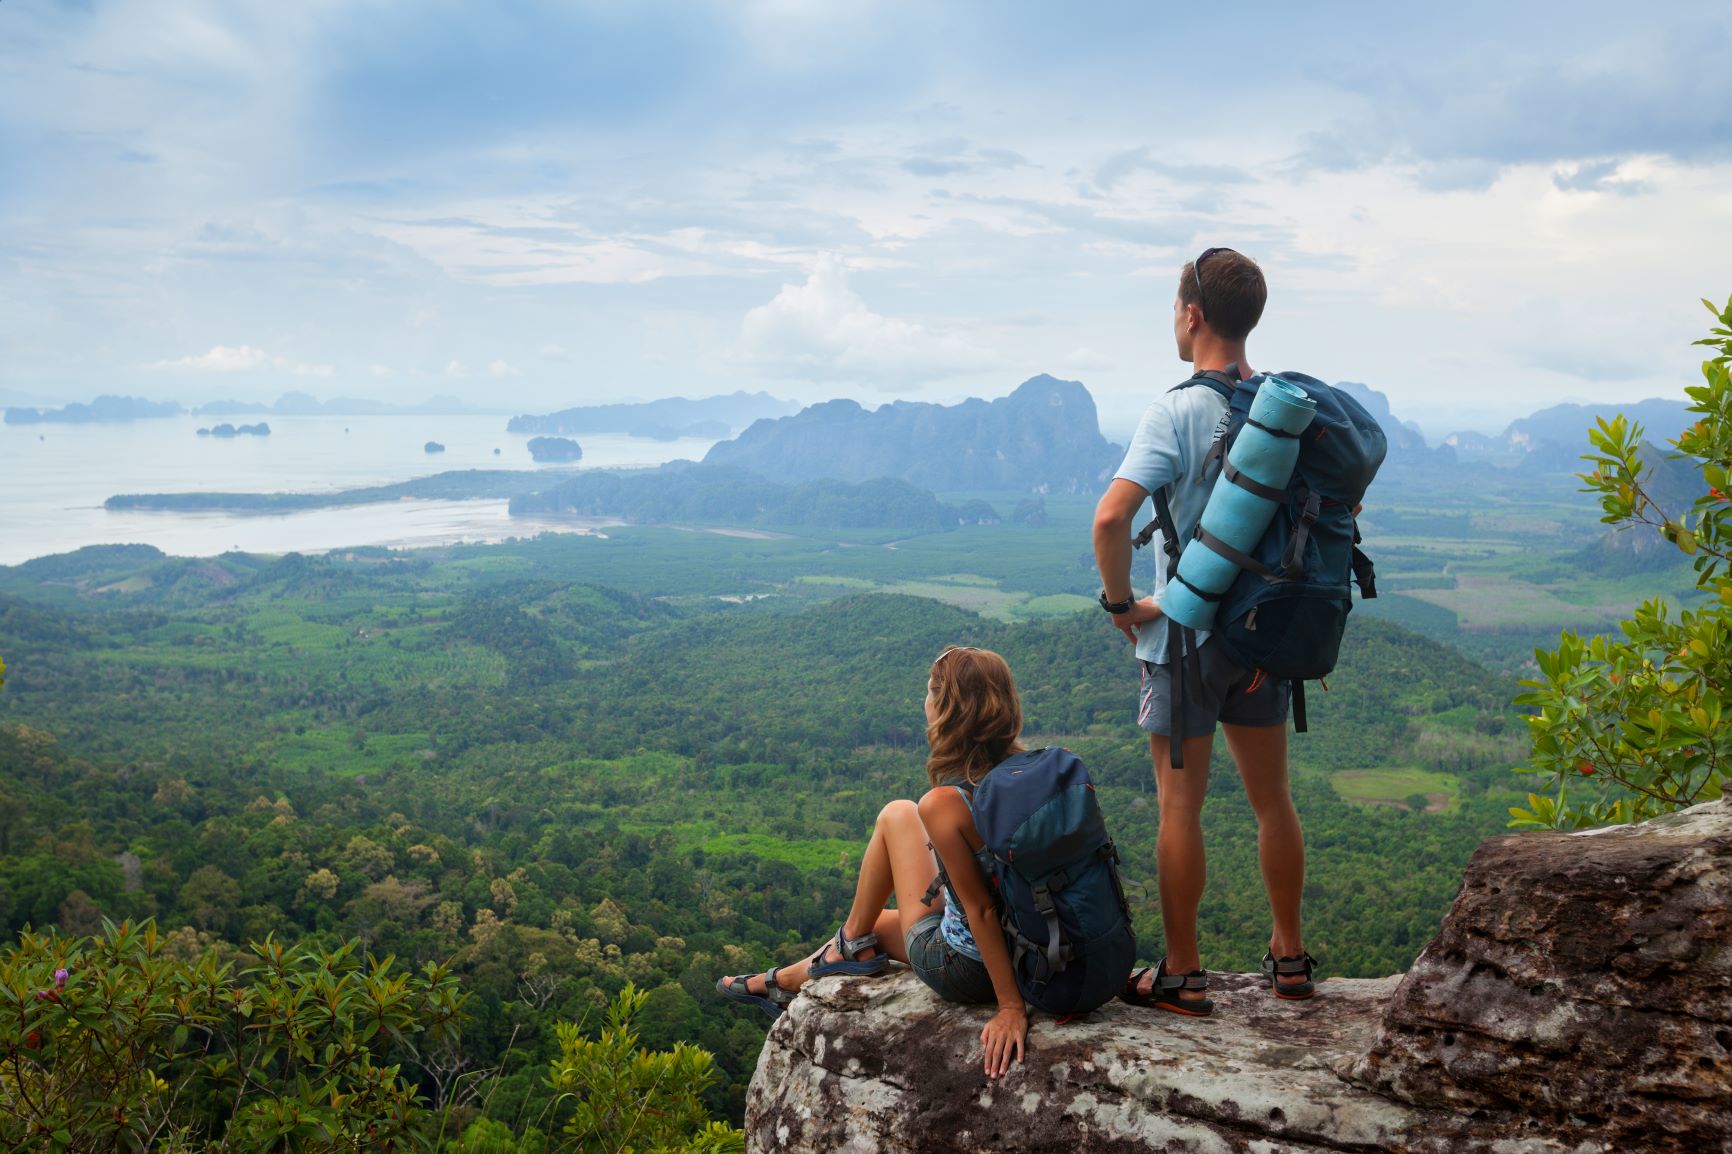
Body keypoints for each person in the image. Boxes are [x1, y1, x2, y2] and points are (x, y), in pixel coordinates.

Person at [1091, 247, 1317, 1015]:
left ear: (1192, 315)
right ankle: (1290, 956)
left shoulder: (1175, 411)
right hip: (1261, 640)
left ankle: (1183, 973)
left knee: (1179, 810)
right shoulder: (1282, 411)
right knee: (1273, 803)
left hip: (1182, 644)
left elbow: (1111, 518)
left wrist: (1121, 607)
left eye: (1173, 308)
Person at [715, 646, 1030, 1079]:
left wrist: (1011, 1007)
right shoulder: (1033, 772)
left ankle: (826, 956)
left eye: (929, 692)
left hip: (970, 969)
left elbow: (982, 910)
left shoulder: (947, 802)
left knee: (897, 814)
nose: (924, 701)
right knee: (876, 924)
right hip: (1036, 948)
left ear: (947, 710)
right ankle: (803, 970)